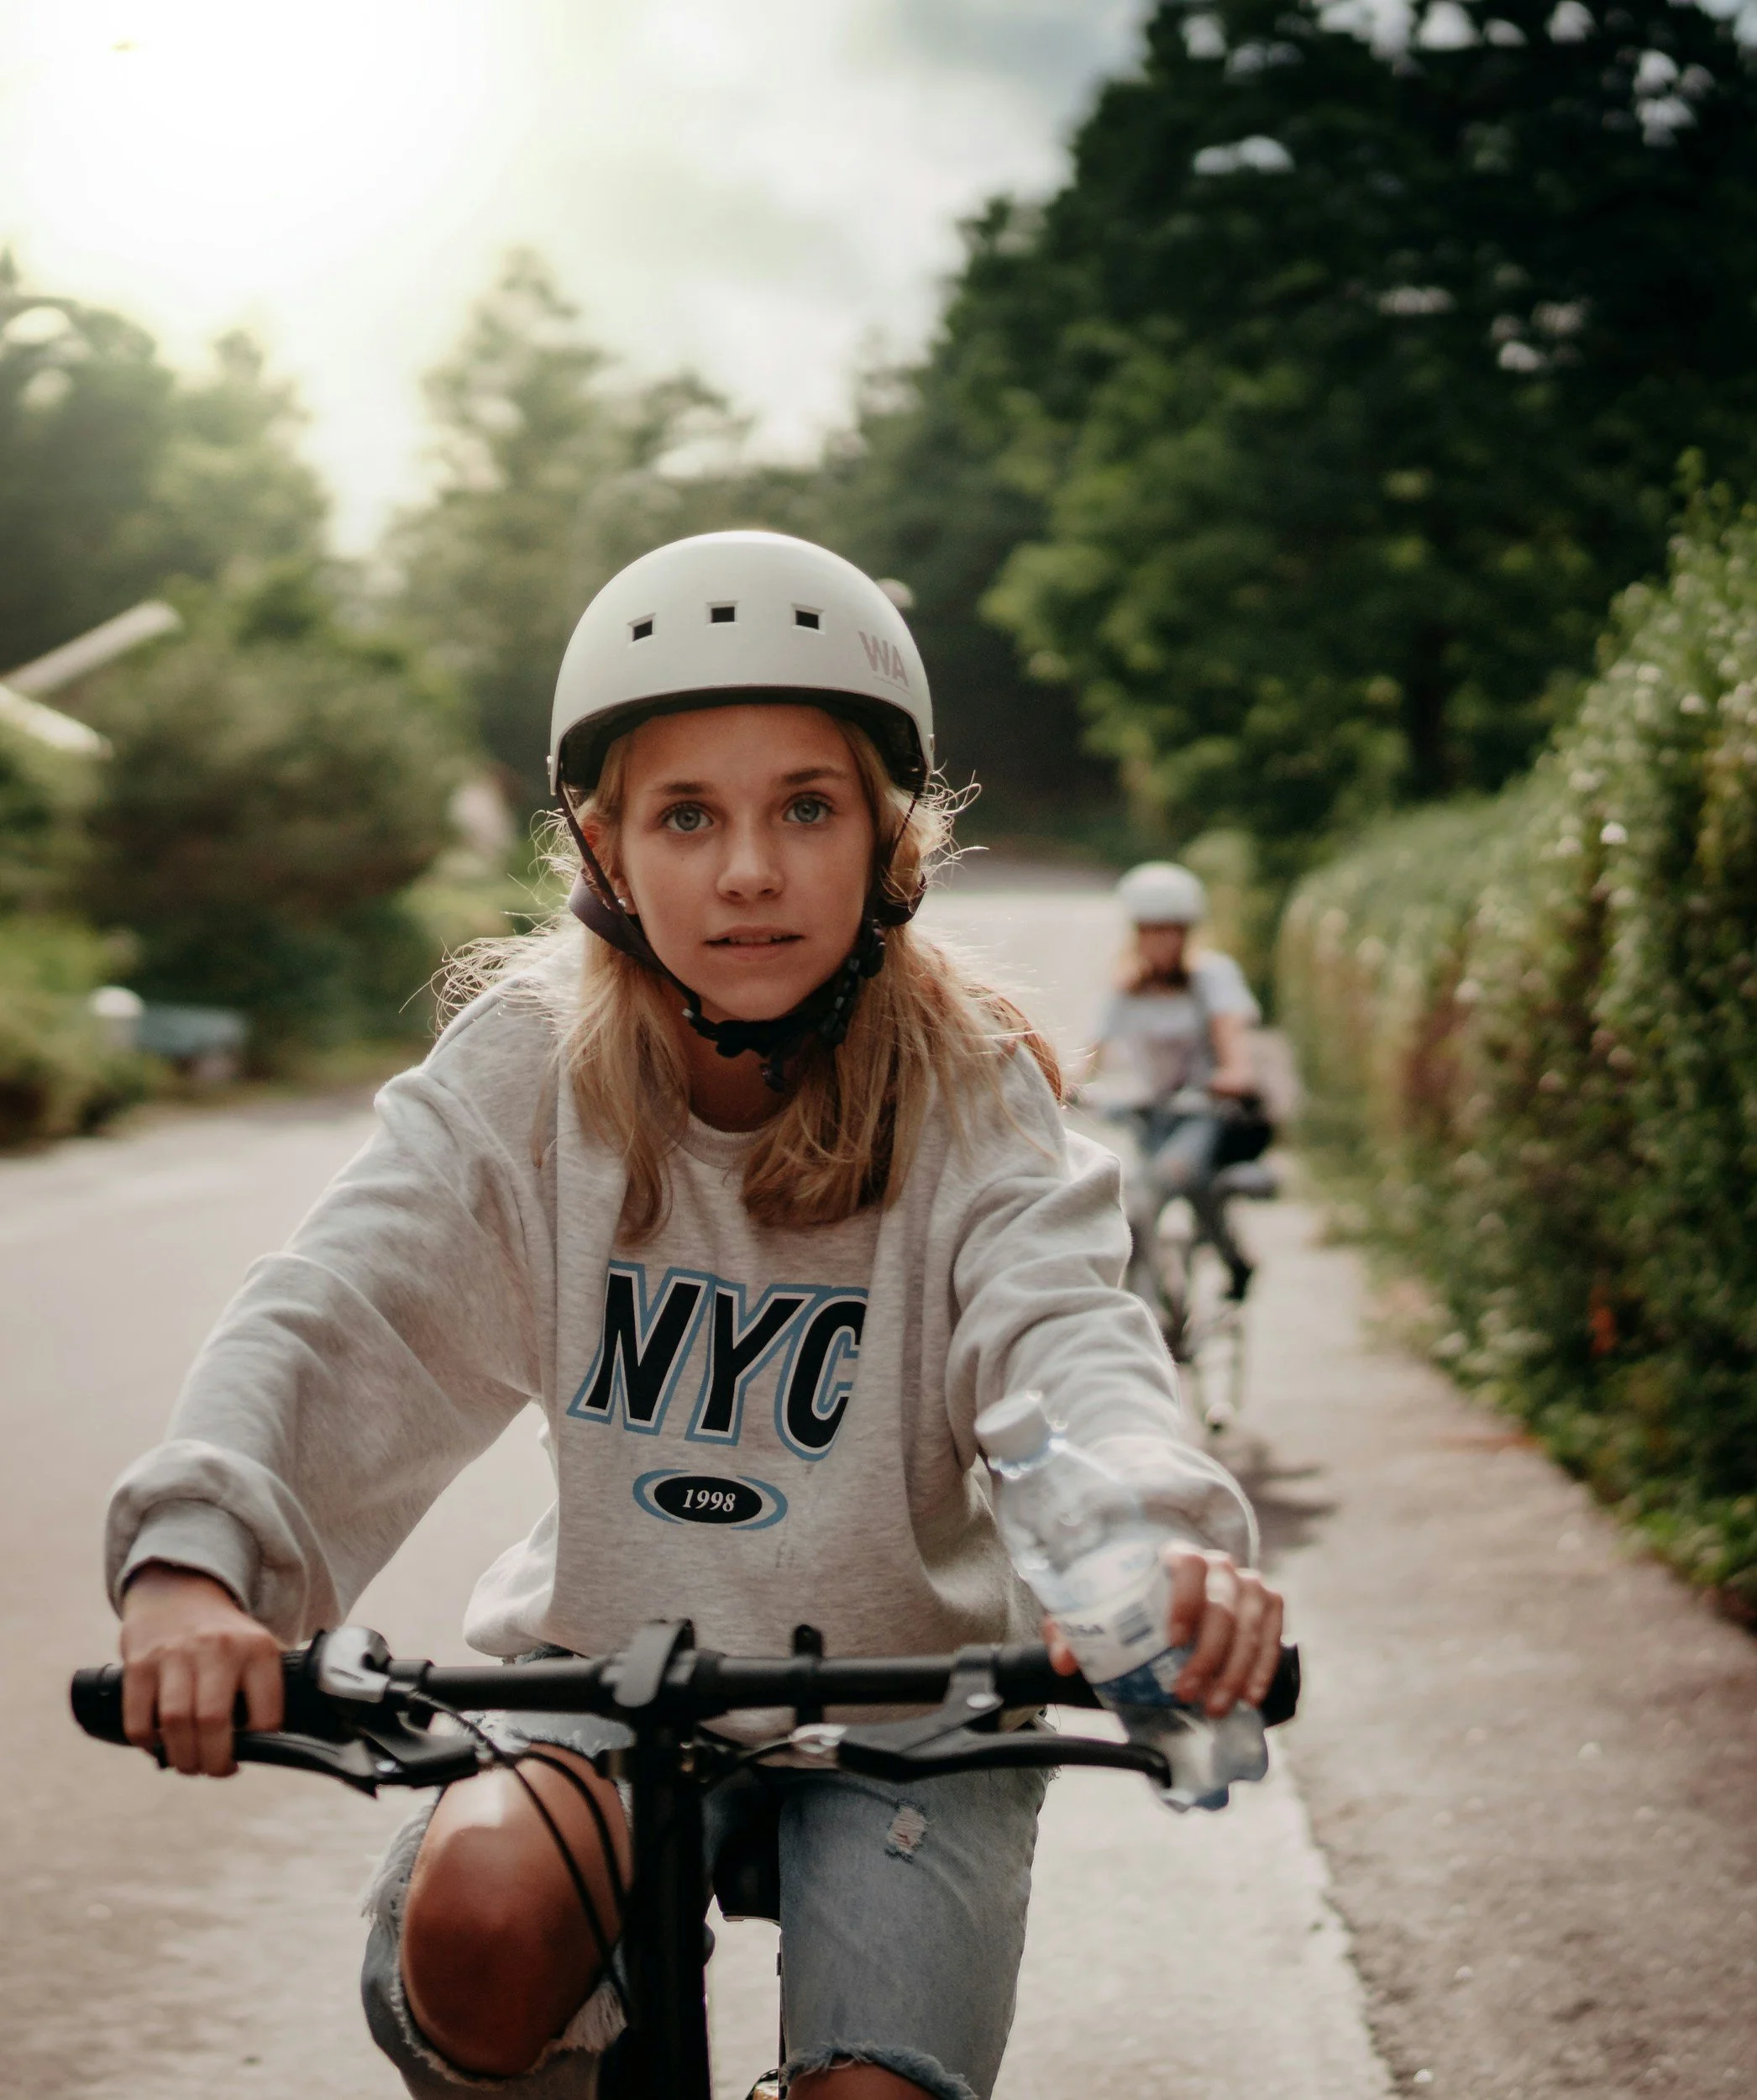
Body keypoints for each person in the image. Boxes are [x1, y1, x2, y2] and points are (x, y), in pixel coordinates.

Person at [106, 533, 1284, 2100]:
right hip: (605, 1671)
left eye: (805, 806)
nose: (747, 869)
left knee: (873, 2094)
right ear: (604, 849)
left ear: (890, 840)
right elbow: (342, 1310)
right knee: (482, 1917)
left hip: (916, 1706)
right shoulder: (529, 1074)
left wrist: (1152, 1546)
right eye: (687, 815)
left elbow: (1068, 1339)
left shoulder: (968, 1089)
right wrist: (199, 1569)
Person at [1090, 863, 1262, 1329]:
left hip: (1205, 1113)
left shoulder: (1212, 977)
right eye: (1150, 930)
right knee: (1136, 1204)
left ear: (1187, 934)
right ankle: (1145, 1308)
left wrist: (1233, 1073)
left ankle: (1235, 1261)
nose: (1161, 941)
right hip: (1153, 1116)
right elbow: (1090, 1056)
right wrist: (1061, 1085)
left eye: (1172, 931)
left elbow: (1234, 1044)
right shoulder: (1126, 989)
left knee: (1176, 1178)